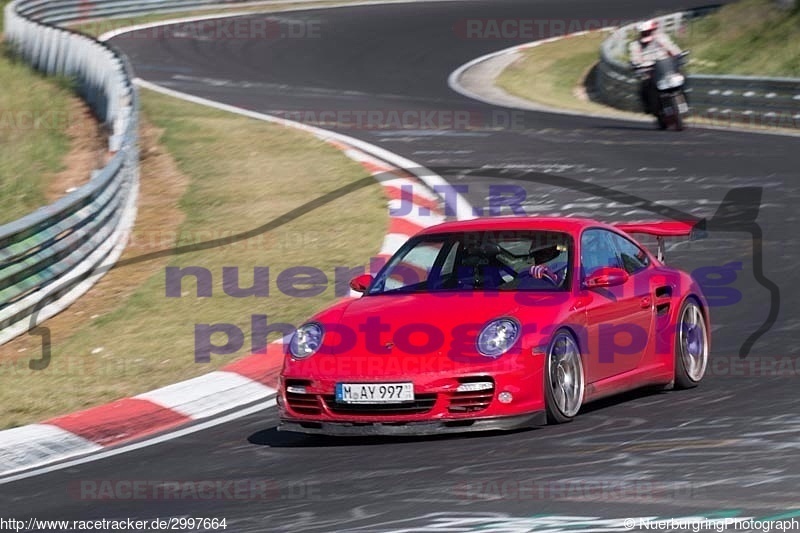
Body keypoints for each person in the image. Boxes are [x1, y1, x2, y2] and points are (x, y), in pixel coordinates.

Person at [629, 20, 682, 114]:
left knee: (682, 77)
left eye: (648, 31)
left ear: (653, 30)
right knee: (644, 87)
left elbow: (671, 47)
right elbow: (635, 57)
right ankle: (649, 107)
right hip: (649, 71)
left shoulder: (661, 38)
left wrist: (678, 55)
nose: (646, 34)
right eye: (644, 32)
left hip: (666, 67)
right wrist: (636, 64)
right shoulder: (635, 44)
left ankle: (682, 99)